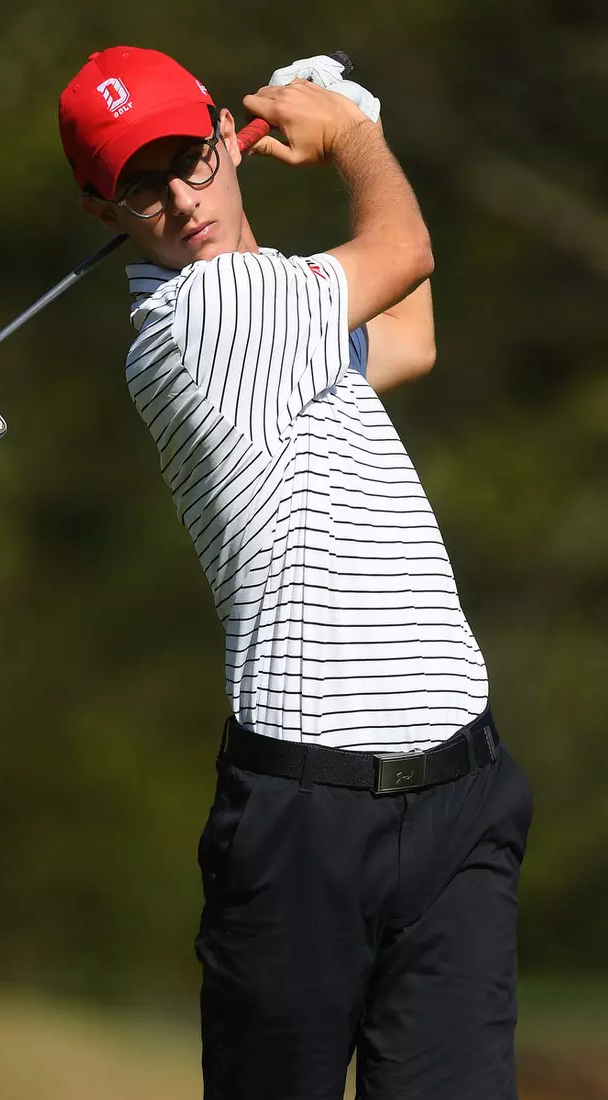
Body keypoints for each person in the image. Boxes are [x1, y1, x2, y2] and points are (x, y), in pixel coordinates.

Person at [58, 46, 532, 1100]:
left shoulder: (284, 312)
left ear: (228, 137)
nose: (181, 200)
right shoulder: (200, 321)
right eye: (142, 184)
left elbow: (409, 337)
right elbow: (402, 249)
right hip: (304, 828)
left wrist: (350, 132)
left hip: (459, 797)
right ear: (104, 212)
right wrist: (350, 135)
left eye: (189, 158)